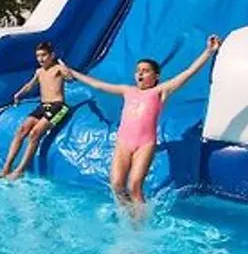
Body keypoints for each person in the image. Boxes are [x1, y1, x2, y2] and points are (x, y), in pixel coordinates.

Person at [61, 35, 222, 205]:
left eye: (145, 71)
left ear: (156, 76)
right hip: (123, 142)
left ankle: (139, 228)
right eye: (138, 70)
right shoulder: (127, 90)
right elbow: (98, 85)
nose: (140, 73)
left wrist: (208, 52)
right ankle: (127, 218)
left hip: (144, 144)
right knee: (116, 185)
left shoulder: (160, 91)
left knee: (134, 186)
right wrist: (72, 73)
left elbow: (188, 73)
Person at [0, 42, 69, 180]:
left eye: (44, 55)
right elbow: (30, 85)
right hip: (43, 106)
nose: (41, 59)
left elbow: (70, 78)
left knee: (35, 134)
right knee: (21, 130)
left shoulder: (58, 69)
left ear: (52, 55)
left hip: (58, 106)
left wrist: (65, 68)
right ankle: (6, 167)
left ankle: (20, 170)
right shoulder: (39, 71)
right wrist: (18, 94)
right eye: (38, 56)